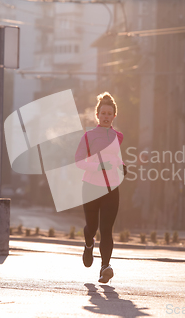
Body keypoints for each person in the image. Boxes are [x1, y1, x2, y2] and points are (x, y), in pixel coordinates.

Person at [75, 92, 125, 283]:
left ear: (114, 116)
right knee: (92, 226)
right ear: (97, 115)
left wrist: (121, 166)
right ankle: (89, 244)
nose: (106, 116)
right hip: (90, 187)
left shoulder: (117, 137)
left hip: (111, 188)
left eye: (109, 113)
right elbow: (78, 161)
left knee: (107, 229)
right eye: (103, 113)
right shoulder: (89, 136)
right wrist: (98, 167)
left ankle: (105, 267)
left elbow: (115, 158)